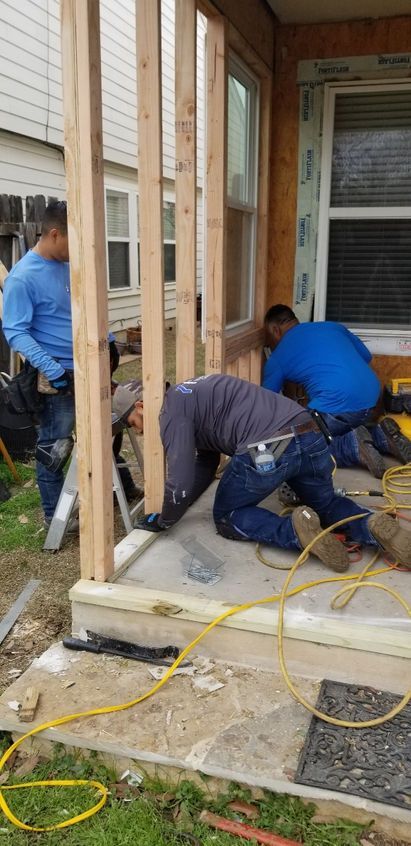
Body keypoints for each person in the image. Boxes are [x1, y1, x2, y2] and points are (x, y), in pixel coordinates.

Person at [112, 375, 411, 571]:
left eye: (133, 422)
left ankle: (297, 532)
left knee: (228, 516)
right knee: (327, 504)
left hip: (269, 448)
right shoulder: (192, 395)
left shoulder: (171, 411)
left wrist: (165, 518)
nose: (137, 431)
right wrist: (186, 502)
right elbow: (206, 460)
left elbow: (178, 481)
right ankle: (372, 524)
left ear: (141, 404)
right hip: (310, 433)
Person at [263, 305, 411, 475]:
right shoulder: (333, 327)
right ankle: (382, 436)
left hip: (338, 407)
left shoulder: (278, 357)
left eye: (269, 341)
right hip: (373, 399)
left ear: (275, 330)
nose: (271, 346)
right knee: (342, 425)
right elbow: (366, 356)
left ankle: (353, 446)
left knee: (304, 448)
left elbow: (266, 404)